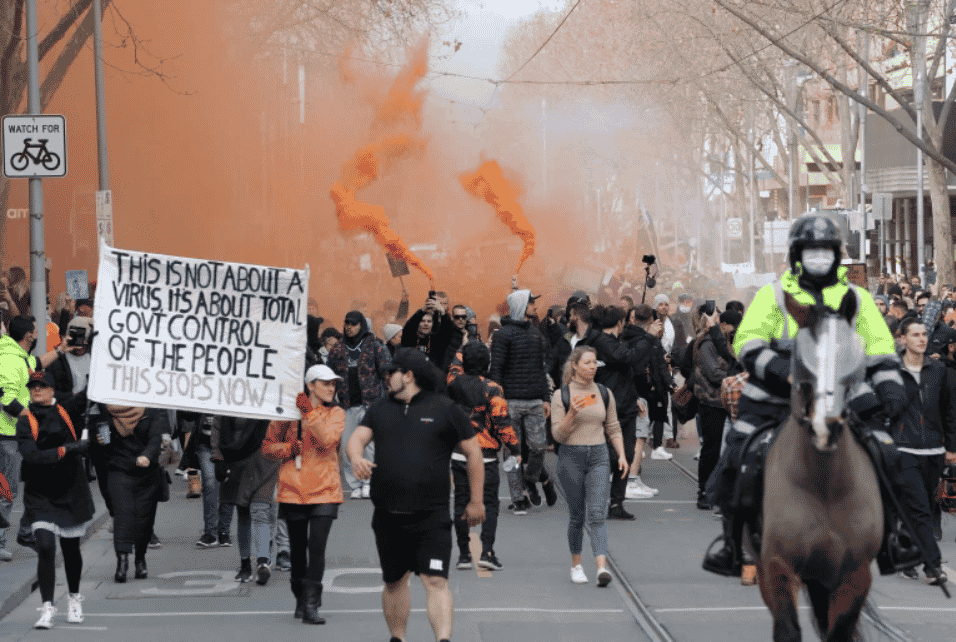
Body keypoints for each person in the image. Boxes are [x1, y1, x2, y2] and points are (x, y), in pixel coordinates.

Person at [703, 213, 920, 578]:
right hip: (776, 395)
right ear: (797, 255)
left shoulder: (857, 297)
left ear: (836, 256)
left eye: (825, 251)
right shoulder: (772, 294)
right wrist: (780, 370)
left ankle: (893, 541)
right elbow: (748, 340)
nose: (818, 259)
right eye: (811, 251)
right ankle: (731, 543)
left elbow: (880, 347)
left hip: (846, 392)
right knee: (737, 456)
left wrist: (892, 389)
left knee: (887, 453)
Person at [346, 349, 485, 642]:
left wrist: (476, 500)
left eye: (390, 374)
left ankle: (443, 639)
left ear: (407, 376)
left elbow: (473, 452)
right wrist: (357, 458)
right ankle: (398, 638)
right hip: (387, 515)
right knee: (395, 582)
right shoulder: (380, 409)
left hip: (431, 515)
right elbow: (356, 439)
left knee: (435, 580)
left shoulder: (445, 409)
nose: (386, 379)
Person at [263, 365, 346, 624]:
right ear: (311, 385)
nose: (331, 388)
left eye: (334, 384)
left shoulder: (336, 413)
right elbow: (267, 448)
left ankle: (311, 604)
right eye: (326, 383)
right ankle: (299, 596)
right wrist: (289, 448)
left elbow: (327, 440)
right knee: (298, 552)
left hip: (325, 491)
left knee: (317, 548)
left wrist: (309, 413)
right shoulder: (287, 414)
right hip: (293, 491)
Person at [17, 370, 92, 628]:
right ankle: (47, 607)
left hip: (71, 490)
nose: (36, 390)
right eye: (32, 386)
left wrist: (97, 376)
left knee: (71, 551)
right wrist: (67, 449)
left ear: (51, 390)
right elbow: (32, 456)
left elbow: (85, 397)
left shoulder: (66, 410)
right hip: (40, 494)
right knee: (46, 547)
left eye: (41, 385)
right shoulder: (25, 421)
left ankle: (73, 599)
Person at [551, 346, 627, 586]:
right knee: (577, 516)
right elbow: (558, 435)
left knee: (597, 514)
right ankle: (576, 564)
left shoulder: (604, 393)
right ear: (575, 365)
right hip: (570, 455)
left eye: (595, 362)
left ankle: (601, 568)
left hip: (599, 454)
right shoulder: (560, 395)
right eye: (587, 363)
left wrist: (622, 455)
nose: (593, 367)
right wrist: (571, 415)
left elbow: (613, 427)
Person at [0, 315, 71, 556]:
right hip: (8, 436)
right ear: (29, 335)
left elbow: (37, 363)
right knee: (7, 491)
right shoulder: (9, 359)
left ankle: (25, 532)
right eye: (36, 328)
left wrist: (61, 350)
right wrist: (30, 419)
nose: (39, 331)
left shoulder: (18, 356)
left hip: (18, 435)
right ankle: (1, 542)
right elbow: (5, 398)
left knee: (36, 483)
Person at [447, 341, 521, 571]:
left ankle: (464, 555)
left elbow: (453, 366)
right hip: (486, 455)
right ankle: (487, 553)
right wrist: (515, 448)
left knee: (461, 502)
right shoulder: (492, 389)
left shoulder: (453, 383)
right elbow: (502, 423)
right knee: (489, 504)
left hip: (459, 453)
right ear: (487, 363)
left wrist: (463, 346)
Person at [895, 318, 955, 584]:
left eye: (924, 335)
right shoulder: (891, 369)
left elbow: (949, 410)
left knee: (924, 505)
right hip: (903, 448)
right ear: (903, 338)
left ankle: (906, 552)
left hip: (934, 447)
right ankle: (933, 567)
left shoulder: (939, 370)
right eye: (915, 335)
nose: (921, 339)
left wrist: (952, 446)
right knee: (919, 506)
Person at [490, 289, 554, 515]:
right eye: (531, 303)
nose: (535, 306)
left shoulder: (536, 334)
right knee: (511, 453)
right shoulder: (502, 335)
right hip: (510, 403)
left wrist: (546, 398)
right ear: (521, 306)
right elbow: (496, 369)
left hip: (535, 401)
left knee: (538, 447)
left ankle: (530, 480)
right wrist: (497, 400)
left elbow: (541, 369)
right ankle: (518, 499)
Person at [327, 310, 391, 499]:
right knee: (348, 446)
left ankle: (368, 481)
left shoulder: (375, 346)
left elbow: (387, 372)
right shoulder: (337, 349)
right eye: (347, 323)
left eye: (353, 323)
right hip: (345, 405)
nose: (349, 327)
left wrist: (387, 400)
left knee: (369, 446)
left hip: (370, 404)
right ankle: (354, 483)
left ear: (361, 325)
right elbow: (328, 374)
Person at [101, 405, 167, 583]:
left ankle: (140, 559)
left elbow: (155, 438)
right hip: (119, 469)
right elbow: (103, 442)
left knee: (144, 518)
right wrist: (99, 439)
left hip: (147, 472)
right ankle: (122, 562)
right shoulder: (108, 410)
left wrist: (147, 455)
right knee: (123, 515)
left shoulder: (150, 411)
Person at [591, 306, 644, 519]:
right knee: (609, 457)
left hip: (626, 406)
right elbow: (624, 358)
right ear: (619, 322)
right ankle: (598, 501)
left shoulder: (617, 342)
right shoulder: (600, 342)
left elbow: (626, 376)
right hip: (607, 409)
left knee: (627, 455)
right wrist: (646, 338)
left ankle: (616, 503)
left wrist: (636, 398)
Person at [211, 415, 276, 585]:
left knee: (261, 510)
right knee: (243, 513)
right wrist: (218, 458)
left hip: (264, 462)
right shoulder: (227, 401)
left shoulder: (265, 395)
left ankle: (263, 561)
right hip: (236, 462)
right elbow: (217, 427)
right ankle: (245, 564)